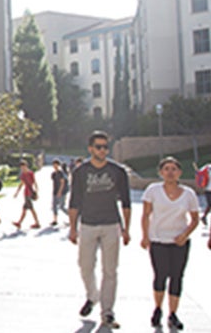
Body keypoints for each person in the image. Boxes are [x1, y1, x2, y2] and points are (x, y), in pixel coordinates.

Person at [68, 130, 131, 330]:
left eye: (105, 147)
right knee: (85, 266)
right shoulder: (80, 172)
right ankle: (92, 296)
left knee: (110, 270)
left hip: (111, 224)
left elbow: (127, 202)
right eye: (99, 147)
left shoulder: (118, 171)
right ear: (90, 149)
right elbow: (74, 201)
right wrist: (72, 228)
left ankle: (107, 312)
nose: (103, 150)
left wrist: (126, 228)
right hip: (87, 224)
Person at [140, 157, 199, 330]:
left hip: (179, 242)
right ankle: (157, 308)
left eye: (174, 169)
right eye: (166, 169)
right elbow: (146, 215)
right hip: (158, 240)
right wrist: (145, 236)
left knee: (177, 277)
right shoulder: (153, 190)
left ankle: (173, 313)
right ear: (161, 172)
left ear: (179, 172)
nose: (170, 172)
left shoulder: (188, 194)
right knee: (160, 276)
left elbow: (195, 219)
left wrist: (185, 234)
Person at [13, 159, 41, 229]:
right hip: (26, 193)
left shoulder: (30, 173)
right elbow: (21, 184)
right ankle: (19, 223)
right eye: (21, 168)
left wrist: (36, 191)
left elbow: (34, 182)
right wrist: (17, 192)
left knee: (30, 208)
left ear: (26, 166)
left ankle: (37, 223)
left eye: (23, 167)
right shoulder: (23, 175)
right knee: (25, 209)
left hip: (30, 193)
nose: (22, 169)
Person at [51, 158, 69, 226]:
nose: (55, 166)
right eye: (54, 165)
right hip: (55, 191)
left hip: (62, 192)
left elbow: (62, 183)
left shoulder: (61, 173)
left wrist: (60, 192)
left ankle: (72, 217)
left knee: (62, 206)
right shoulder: (53, 174)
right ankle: (55, 220)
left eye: (56, 165)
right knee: (54, 206)